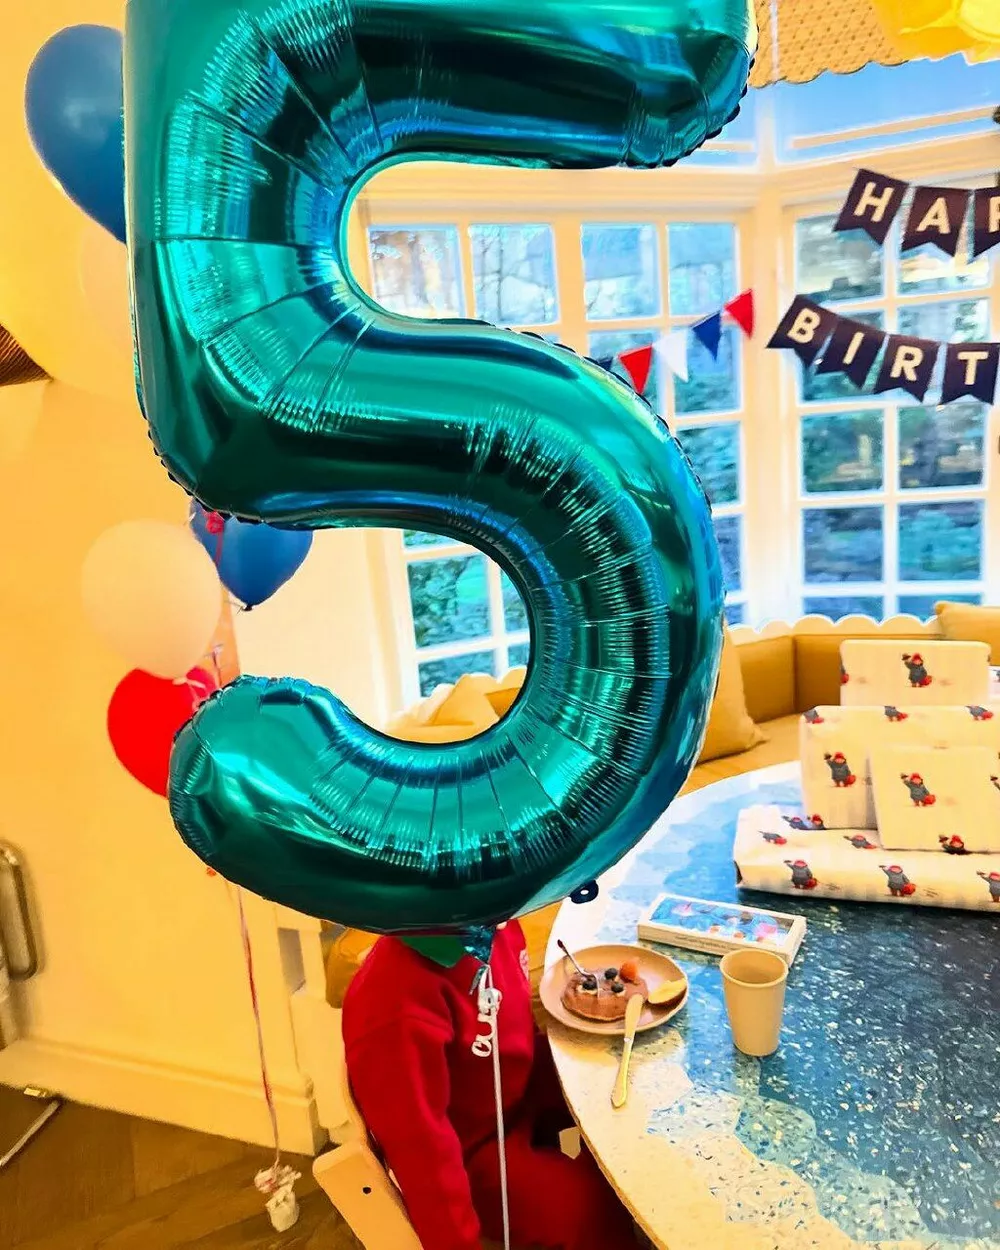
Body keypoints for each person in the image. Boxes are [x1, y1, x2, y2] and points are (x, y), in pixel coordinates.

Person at [342, 920, 636, 1250]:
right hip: (472, 1159)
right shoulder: (394, 1009)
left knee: (626, 1100)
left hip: (513, 1091)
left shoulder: (497, 925)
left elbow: (514, 1034)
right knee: (590, 1209)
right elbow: (425, 1165)